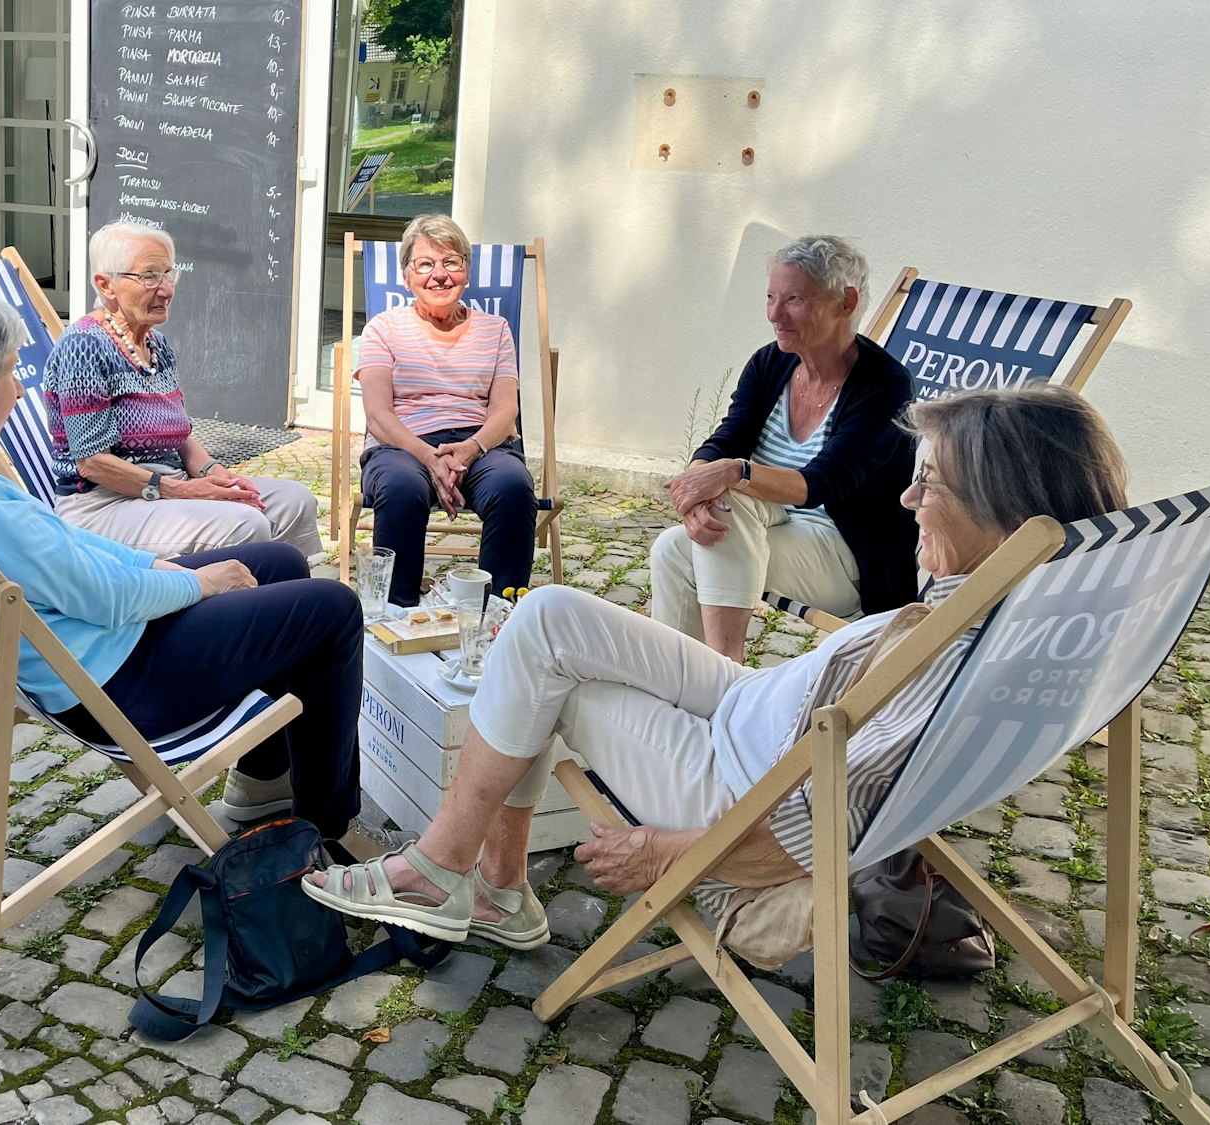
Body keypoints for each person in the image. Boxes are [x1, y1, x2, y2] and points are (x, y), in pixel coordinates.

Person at [304, 385, 1125, 948]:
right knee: (546, 614)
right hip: (759, 712)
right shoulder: (1018, 607)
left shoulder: (961, 650)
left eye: (931, 484)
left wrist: (668, 850)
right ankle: (488, 884)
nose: (908, 501)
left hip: (737, 783)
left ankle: (455, 873)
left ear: (1008, 511)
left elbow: (834, 820)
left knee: (547, 666)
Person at [0, 287, 371, 847]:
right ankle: (328, 825)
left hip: (97, 645)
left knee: (278, 560)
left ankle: (263, 779)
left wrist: (153, 562)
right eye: (12, 374)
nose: (19, 391)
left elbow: (70, 544)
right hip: (115, 681)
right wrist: (198, 581)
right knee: (333, 609)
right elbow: (105, 599)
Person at [653, 234, 917, 661]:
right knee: (676, 544)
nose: (775, 314)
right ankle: (675, 681)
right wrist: (698, 487)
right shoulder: (770, 362)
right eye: (771, 296)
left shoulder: (884, 386)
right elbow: (727, 438)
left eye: (794, 299)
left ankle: (724, 677)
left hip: (845, 553)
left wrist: (732, 473)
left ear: (845, 302)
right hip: (766, 527)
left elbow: (821, 484)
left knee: (727, 500)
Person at [43, 222, 324, 559]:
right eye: (149, 276)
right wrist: (183, 491)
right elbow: (92, 463)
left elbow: (182, 437)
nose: (166, 289)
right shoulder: (84, 347)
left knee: (295, 502)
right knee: (244, 524)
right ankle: (245, 605)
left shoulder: (155, 343)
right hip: (104, 504)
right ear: (106, 285)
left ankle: (299, 599)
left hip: (165, 490)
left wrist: (222, 479)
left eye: (168, 274)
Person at [357, 213, 538, 605]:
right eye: (424, 264)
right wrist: (427, 455)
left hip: (481, 445)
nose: (439, 275)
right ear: (407, 276)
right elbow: (378, 414)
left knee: (513, 488)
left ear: (467, 271)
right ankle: (397, 613)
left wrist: (471, 448)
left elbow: (506, 411)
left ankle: (495, 615)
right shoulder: (382, 329)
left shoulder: (496, 329)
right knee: (401, 488)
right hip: (401, 446)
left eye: (451, 262)